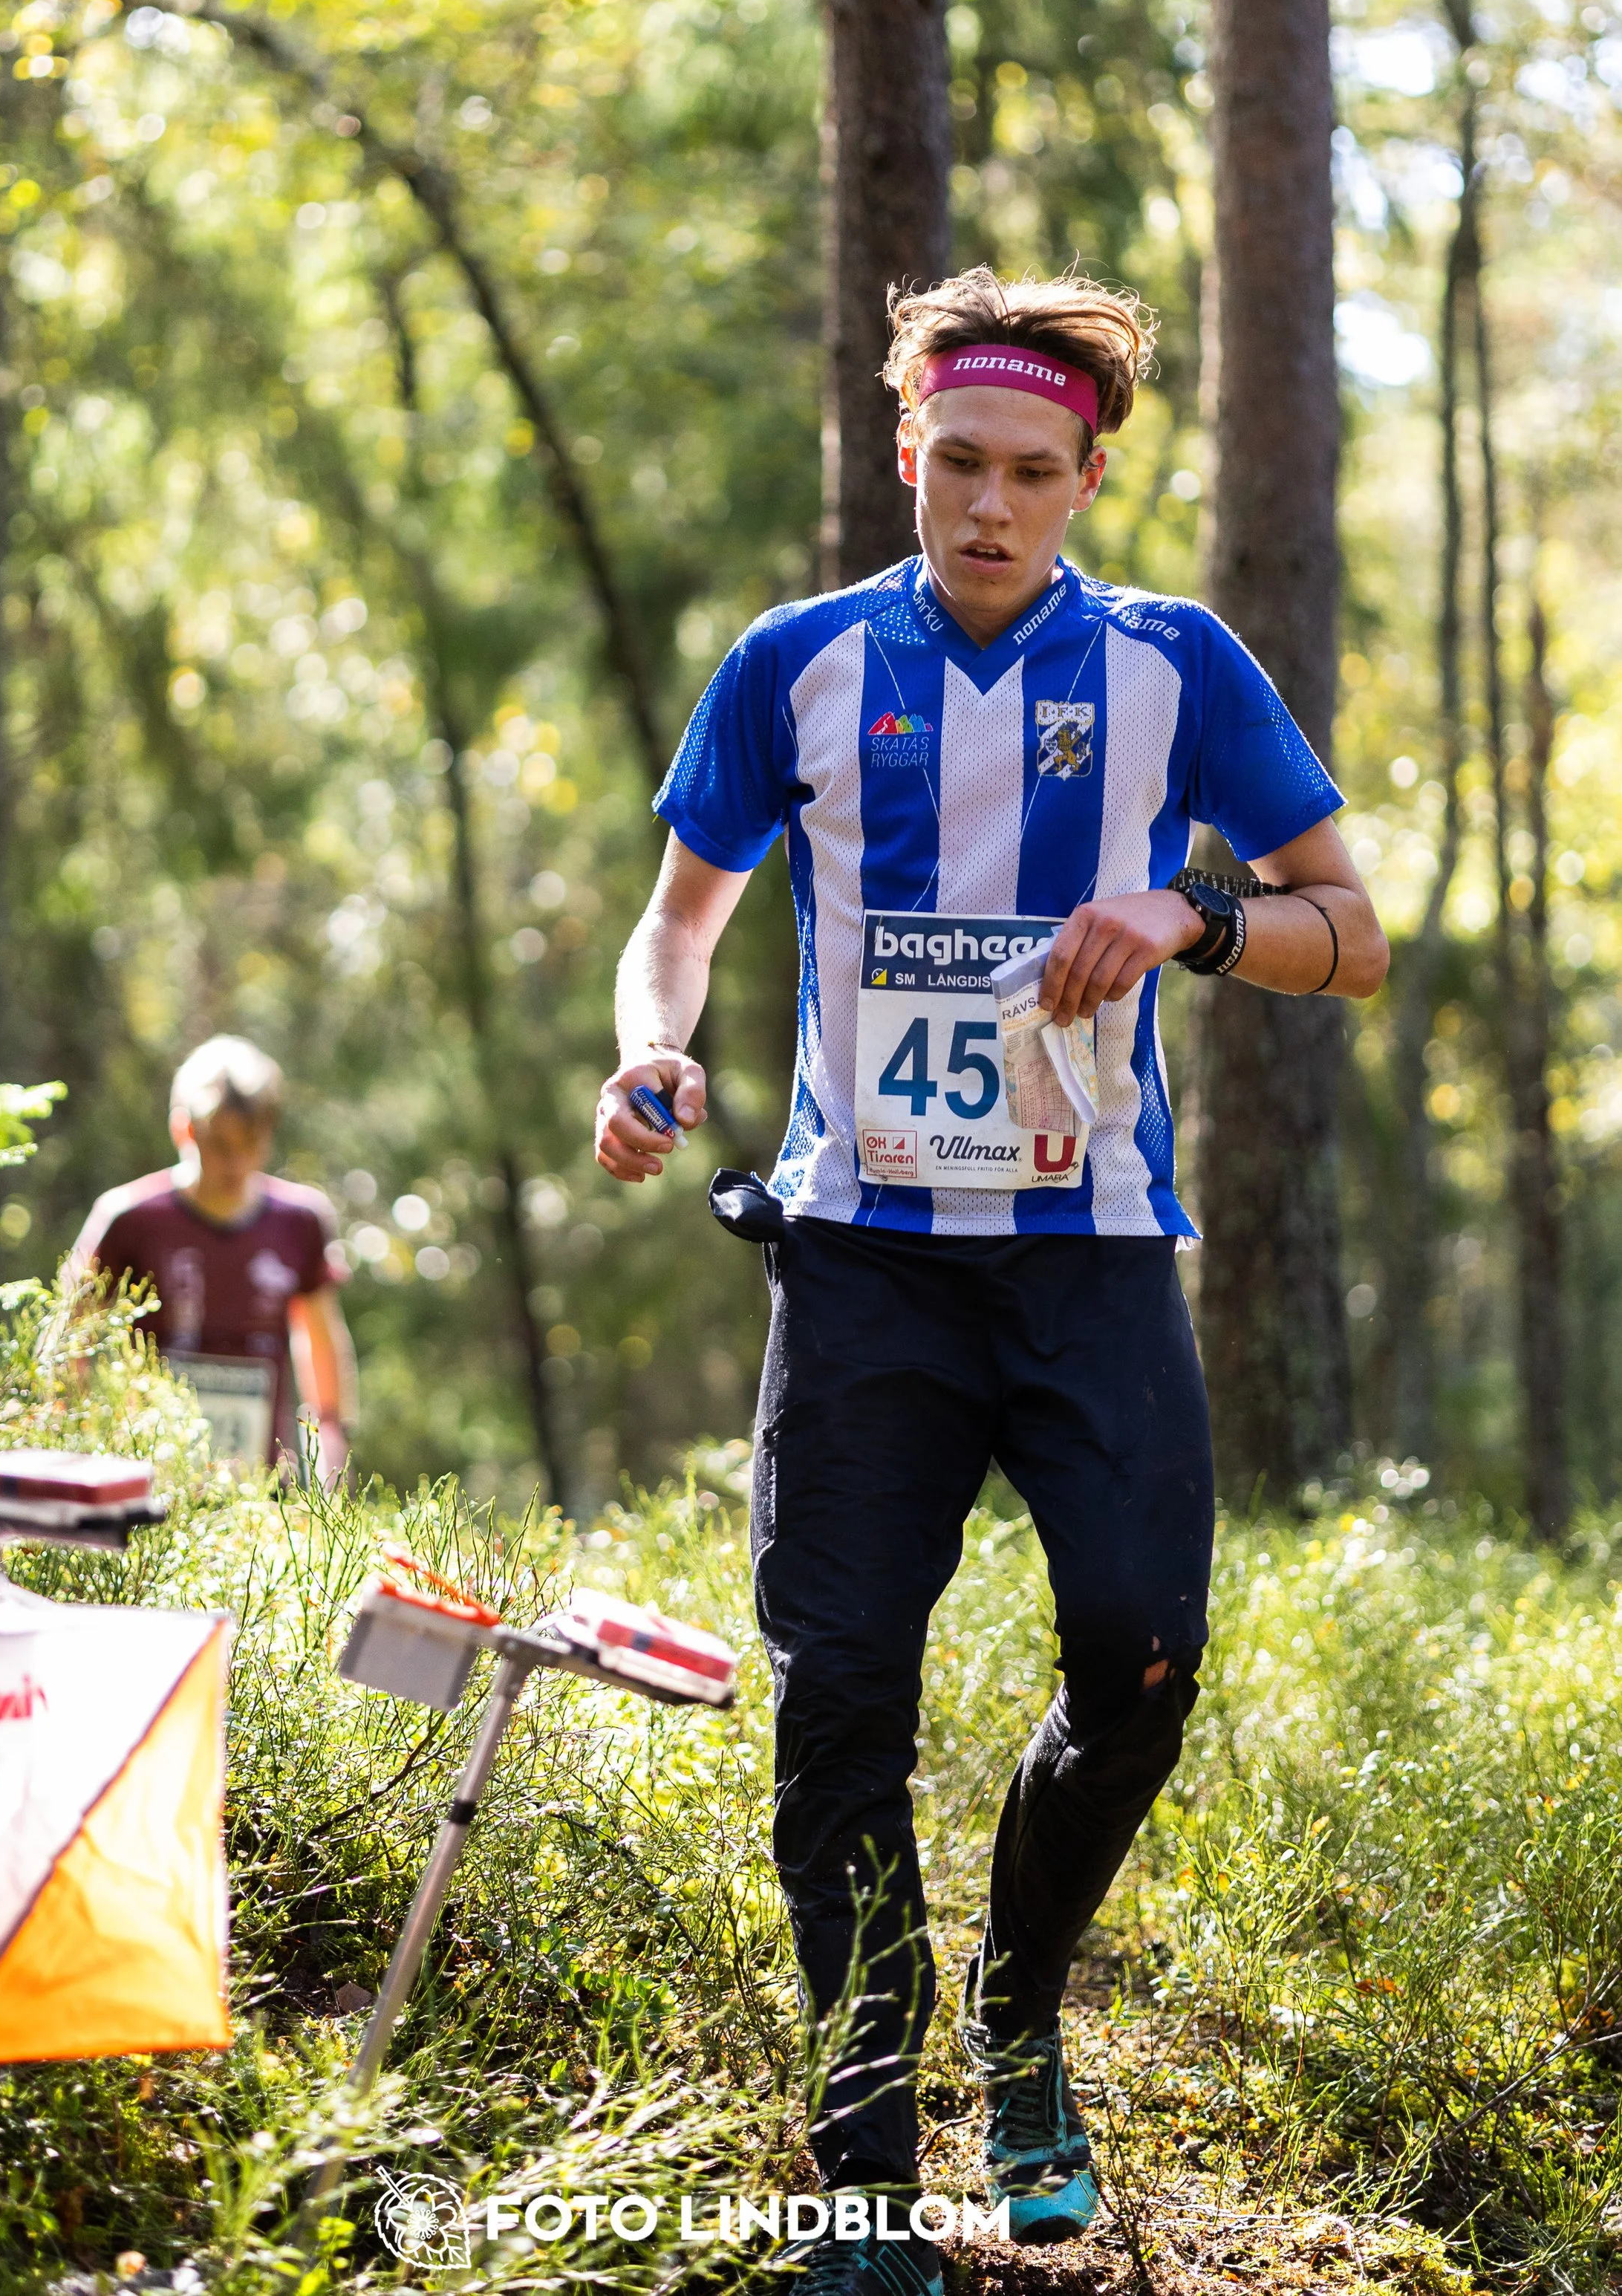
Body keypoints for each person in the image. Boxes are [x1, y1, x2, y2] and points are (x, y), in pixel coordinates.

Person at [593, 268, 1389, 2280]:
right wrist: (654, 1045)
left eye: (1032, 472)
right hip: (860, 1258)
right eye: (955, 462)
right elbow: (677, 917)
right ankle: (861, 2181)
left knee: (1137, 1660)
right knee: (836, 1697)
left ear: (1086, 480)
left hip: (1089, 1258)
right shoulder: (791, 663)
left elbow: (1344, 928)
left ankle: (1018, 2020)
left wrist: (1183, 913)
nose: (987, 505)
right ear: (903, 455)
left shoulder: (1172, 668)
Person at [72, 1034, 357, 1484]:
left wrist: (331, 1438)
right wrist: (76, 1435)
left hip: (261, 1488)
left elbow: (319, 1337)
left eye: (251, 1143)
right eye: (220, 1144)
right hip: (149, 1479)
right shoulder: (129, 1217)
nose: (236, 1161)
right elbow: (72, 1334)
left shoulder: (300, 1221)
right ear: (184, 1130)